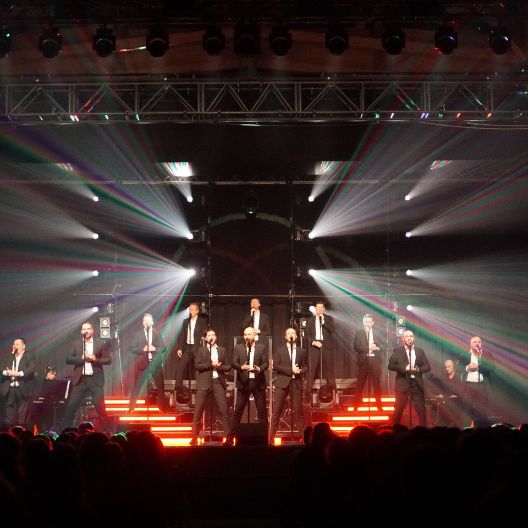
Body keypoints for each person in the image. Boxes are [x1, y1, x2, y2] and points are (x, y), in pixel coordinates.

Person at [60, 322, 112, 430]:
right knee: (71, 407)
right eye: (84, 329)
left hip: (95, 380)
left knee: (100, 407)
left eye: (88, 329)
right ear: (81, 331)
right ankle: (65, 431)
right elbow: (68, 359)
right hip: (80, 379)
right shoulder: (76, 344)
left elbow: (108, 359)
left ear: (92, 330)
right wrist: (82, 357)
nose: (86, 331)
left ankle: (106, 431)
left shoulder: (100, 343)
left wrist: (95, 359)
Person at [190, 329, 231, 445]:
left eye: (213, 334)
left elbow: (228, 366)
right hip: (204, 382)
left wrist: (219, 367)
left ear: (216, 337)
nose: (211, 337)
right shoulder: (201, 350)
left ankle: (228, 437)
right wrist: (210, 364)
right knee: (198, 410)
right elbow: (196, 365)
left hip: (217, 381)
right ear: (205, 338)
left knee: (224, 409)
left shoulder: (222, 350)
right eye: (209, 335)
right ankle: (194, 436)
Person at [230, 326, 268, 437]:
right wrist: (242, 367)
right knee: (238, 411)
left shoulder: (262, 347)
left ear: (255, 336)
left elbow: (265, 363)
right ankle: (231, 436)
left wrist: (258, 369)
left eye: (249, 334)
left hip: (258, 382)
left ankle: (265, 437)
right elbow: (233, 362)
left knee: (262, 411)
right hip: (243, 383)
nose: (247, 336)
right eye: (245, 334)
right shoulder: (238, 347)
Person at [270, 327, 308, 438]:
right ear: (285, 337)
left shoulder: (302, 351)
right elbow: (276, 366)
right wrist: (290, 370)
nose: (291, 335)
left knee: (298, 410)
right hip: (282, 382)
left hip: (296, 382)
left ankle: (303, 436)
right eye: (288, 333)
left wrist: (300, 371)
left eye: (293, 333)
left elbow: (306, 366)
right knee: (277, 409)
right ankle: (271, 436)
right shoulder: (279, 350)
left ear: (296, 336)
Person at [388, 330, 431, 427]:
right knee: (398, 410)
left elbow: (427, 366)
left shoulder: (419, 351)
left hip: (416, 384)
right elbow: (390, 365)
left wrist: (418, 369)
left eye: (411, 336)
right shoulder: (398, 351)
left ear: (413, 338)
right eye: (407, 336)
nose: (409, 338)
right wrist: (404, 368)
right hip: (402, 384)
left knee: (421, 410)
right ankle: (394, 430)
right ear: (403, 339)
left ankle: (423, 430)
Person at [128, 313, 167, 413]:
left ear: (152, 322)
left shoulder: (157, 333)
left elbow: (163, 348)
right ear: (142, 323)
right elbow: (132, 348)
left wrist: (154, 349)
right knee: (136, 386)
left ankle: (162, 408)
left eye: (148, 320)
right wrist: (143, 349)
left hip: (155, 363)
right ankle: (131, 408)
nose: (147, 322)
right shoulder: (138, 334)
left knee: (160, 386)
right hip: (142, 363)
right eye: (145, 320)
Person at [1, 337, 37, 429]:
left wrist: (18, 374)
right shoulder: (9, 356)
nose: (15, 346)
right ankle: (10, 432)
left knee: (22, 414)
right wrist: (7, 372)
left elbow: (31, 368)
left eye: (17, 344)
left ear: (23, 346)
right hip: (10, 389)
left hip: (23, 388)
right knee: (10, 414)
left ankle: (22, 432)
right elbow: (2, 367)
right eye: (14, 344)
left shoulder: (29, 355)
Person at [305, 301, 336, 403]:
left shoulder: (329, 319)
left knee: (330, 371)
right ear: (315, 309)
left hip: (326, 346)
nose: (319, 309)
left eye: (321, 308)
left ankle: (332, 395)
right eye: (317, 308)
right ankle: (307, 396)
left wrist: (323, 322)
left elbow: (332, 330)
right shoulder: (310, 320)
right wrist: (314, 342)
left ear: (324, 309)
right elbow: (307, 335)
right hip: (315, 345)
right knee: (311, 371)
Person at [354, 314, 384, 410]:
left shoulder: (377, 332)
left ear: (373, 323)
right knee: (360, 384)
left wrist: (378, 348)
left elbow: (384, 345)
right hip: (364, 360)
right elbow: (356, 347)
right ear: (363, 323)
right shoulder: (360, 332)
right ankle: (356, 405)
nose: (368, 324)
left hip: (375, 360)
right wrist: (369, 348)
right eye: (366, 322)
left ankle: (379, 406)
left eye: (369, 322)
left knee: (376, 384)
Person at [174, 302, 207, 389]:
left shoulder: (202, 321)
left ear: (197, 311)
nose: (190, 311)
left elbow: (205, 334)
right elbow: (182, 335)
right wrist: (180, 348)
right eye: (189, 309)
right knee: (180, 367)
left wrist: (203, 339)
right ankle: (178, 387)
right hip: (188, 347)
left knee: (199, 367)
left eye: (192, 309)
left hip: (198, 347)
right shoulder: (186, 321)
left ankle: (202, 387)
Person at [463, 335, 495, 426]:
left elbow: (491, 367)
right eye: (474, 342)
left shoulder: (487, 354)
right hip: (469, 385)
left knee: (482, 410)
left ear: (482, 344)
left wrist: (478, 368)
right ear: (470, 344)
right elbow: (458, 366)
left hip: (482, 385)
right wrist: (467, 368)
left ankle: (481, 428)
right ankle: (468, 428)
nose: (477, 343)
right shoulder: (465, 353)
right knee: (467, 409)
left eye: (479, 342)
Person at [434, 359, 466, 428]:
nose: (447, 369)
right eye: (446, 367)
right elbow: (444, 390)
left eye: (449, 366)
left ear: (453, 367)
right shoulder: (444, 377)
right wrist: (441, 395)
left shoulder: (459, 376)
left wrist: (454, 396)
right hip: (447, 401)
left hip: (458, 403)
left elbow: (462, 392)